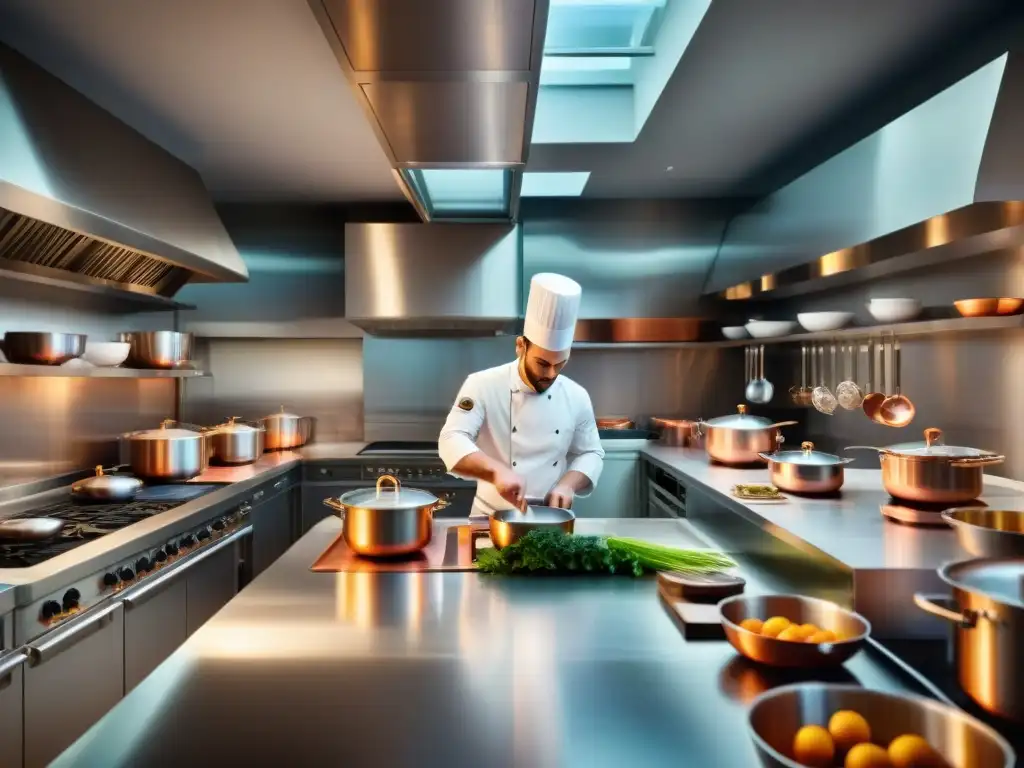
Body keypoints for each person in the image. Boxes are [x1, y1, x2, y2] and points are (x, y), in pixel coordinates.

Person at [438, 273, 604, 517]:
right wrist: (495, 471)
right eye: (542, 363)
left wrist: (568, 484)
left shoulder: (576, 395)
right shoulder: (482, 384)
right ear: (520, 346)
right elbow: (451, 439)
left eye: (560, 364)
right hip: (490, 516)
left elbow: (591, 452)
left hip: (552, 518)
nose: (551, 374)